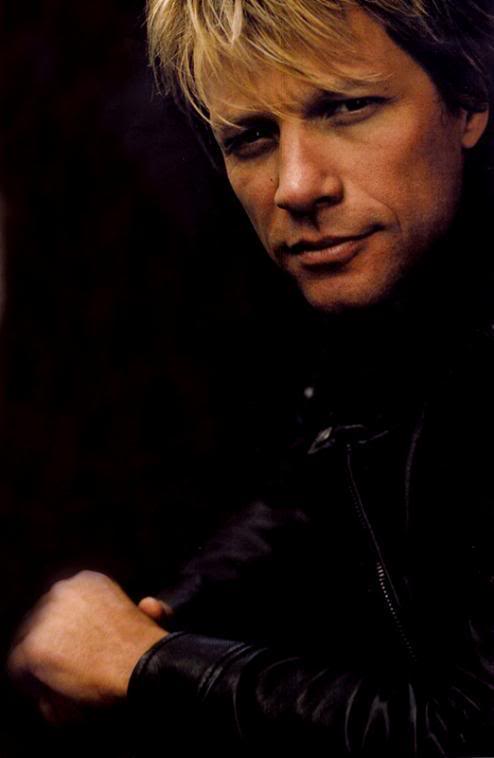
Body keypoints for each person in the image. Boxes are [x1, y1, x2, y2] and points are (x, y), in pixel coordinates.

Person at [7, 0, 494, 754]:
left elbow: (471, 734)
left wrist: (144, 664)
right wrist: (163, 614)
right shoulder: (394, 290)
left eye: (346, 108)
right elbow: (312, 488)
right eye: (251, 138)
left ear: (468, 100)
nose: (295, 187)